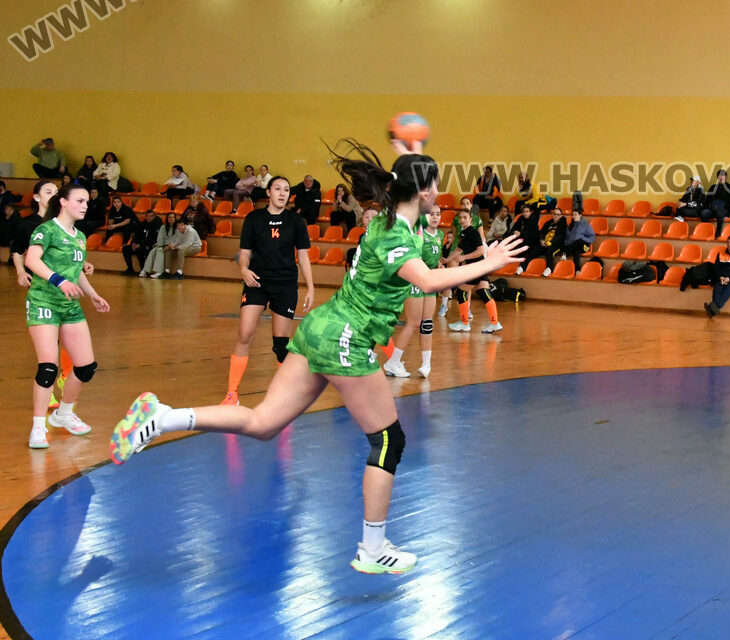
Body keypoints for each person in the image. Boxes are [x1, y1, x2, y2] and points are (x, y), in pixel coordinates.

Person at [109, 139, 526, 576]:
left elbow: (418, 234)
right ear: (423, 191)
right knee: (388, 440)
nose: (439, 194)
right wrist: (489, 261)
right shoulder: (394, 233)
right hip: (347, 339)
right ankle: (372, 548)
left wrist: (411, 157)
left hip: (321, 328)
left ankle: (162, 417)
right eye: (434, 185)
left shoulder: (394, 219)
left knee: (263, 424)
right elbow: (426, 280)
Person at [24, 183, 111, 448]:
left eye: (87, 202)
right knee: (48, 367)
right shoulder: (47, 229)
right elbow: (32, 260)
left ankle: (64, 413)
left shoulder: (80, 236)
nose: (85, 206)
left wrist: (93, 294)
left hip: (70, 305)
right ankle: (38, 427)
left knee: (86, 367)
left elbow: (77, 271)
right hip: (43, 301)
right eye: (80, 201)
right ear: (63, 202)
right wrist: (59, 281)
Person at [221, 175, 315, 404]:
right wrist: (244, 270)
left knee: (281, 344)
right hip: (257, 282)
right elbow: (245, 253)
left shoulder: (296, 221)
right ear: (268, 192)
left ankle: (287, 393)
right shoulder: (254, 218)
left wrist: (310, 287)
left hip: (285, 284)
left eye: (286, 190)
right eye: (278, 189)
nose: (282, 193)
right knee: (244, 334)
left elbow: (303, 256)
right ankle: (232, 393)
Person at [383, 205, 446, 379]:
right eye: (431, 214)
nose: (435, 217)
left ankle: (426, 365)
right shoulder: (418, 233)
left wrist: (439, 265)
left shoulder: (440, 235)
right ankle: (393, 361)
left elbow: (435, 257)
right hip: (415, 279)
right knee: (413, 322)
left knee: (427, 323)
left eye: (438, 214)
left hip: (430, 279)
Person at [448, 211, 503, 333]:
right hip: (480, 267)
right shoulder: (464, 233)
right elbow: (459, 249)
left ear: (470, 218)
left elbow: (481, 250)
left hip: (476, 267)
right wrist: (448, 259)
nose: (462, 220)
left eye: (465, 217)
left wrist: (464, 257)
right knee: (484, 292)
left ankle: (464, 323)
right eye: (460, 218)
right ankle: (495, 323)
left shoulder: (473, 232)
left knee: (461, 292)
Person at [704, 236, 730, 318]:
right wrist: (720, 277)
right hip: (721, 278)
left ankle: (713, 308)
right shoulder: (720, 254)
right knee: (717, 290)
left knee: (726, 292)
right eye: (728, 243)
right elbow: (716, 269)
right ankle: (713, 310)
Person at [141, 212, 178, 277]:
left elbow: (177, 240)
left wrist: (169, 245)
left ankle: (159, 271)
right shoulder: (163, 227)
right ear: (167, 219)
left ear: (175, 219)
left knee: (159, 250)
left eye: (173, 217)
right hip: (163, 245)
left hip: (172, 247)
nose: (171, 219)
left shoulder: (177, 228)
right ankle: (145, 270)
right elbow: (160, 238)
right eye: (169, 217)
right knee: (152, 251)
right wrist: (162, 245)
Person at [123, 210, 160, 275]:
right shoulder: (142, 224)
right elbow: (136, 234)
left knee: (140, 250)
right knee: (125, 249)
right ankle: (130, 269)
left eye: (151, 216)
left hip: (149, 245)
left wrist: (140, 244)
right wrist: (134, 243)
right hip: (139, 244)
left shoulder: (157, 225)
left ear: (154, 217)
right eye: (147, 216)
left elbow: (152, 239)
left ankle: (143, 269)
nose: (149, 218)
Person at [704, 169, 730, 238]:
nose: (721, 177)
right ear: (717, 177)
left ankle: (718, 233)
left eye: (723, 175)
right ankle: (709, 230)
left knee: (719, 214)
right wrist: (707, 208)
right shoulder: (713, 187)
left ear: (726, 177)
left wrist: (728, 215)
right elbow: (707, 200)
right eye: (719, 175)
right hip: (713, 209)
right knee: (703, 213)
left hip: (724, 210)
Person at [536, 207, 568, 276]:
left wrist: (550, 243)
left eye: (558, 214)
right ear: (552, 215)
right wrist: (542, 240)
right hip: (545, 243)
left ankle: (549, 268)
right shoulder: (548, 223)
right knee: (534, 250)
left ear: (561, 216)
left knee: (549, 250)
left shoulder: (562, 224)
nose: (556, 216)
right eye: (555, 214)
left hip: (556, 245)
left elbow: (560, 237)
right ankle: (523, 267)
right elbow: (541, 233)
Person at [510, 205, 541, 274]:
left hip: (531, 244)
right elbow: (513, 228)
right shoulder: (520, 218)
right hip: (521, 242)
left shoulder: (533, 221)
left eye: (527, 211)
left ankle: (521, 267)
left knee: (527, 252)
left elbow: (534, 236)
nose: (525, 213)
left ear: (530, 212)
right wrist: (515, 231)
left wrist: (526, 243)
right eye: (524, 212)